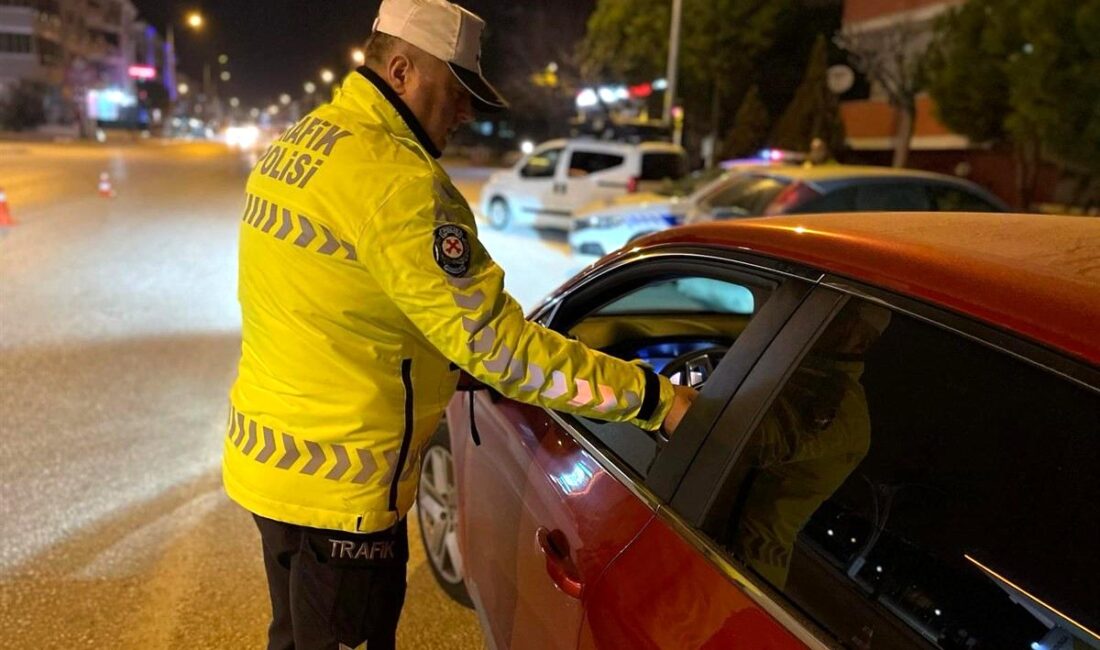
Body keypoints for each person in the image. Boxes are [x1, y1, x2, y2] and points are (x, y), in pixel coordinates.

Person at [222, 1, 697, 648]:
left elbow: (345, 300)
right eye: (457, 91)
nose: (468, 112)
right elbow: (501, 349)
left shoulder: (303, 142)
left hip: (271, 467)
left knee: (294, 637)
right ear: (400, 70)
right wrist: (654, 399)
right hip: (343, 496)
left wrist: (446, 362)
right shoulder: (400, 184)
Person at [729, 301, 889, 589]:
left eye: (843, 317)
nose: (825, 318)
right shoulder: (805, 368)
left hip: (745, 560)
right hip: (727, 540)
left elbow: (747, 440)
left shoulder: (839, 402)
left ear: (860, 342)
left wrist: (666, 399)